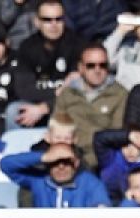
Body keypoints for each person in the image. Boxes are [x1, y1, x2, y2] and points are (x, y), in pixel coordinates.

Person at [53, 42, 128, 169]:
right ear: (81, 68)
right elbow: (57, 126)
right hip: (69, 155)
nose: (97, 70)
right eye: (91, 66)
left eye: (102, 65)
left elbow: (116, 134)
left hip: (101, 158)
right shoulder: (67, 94)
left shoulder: (120, 94)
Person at [13, 0, 86, 128]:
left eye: (58, 19)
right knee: (13, 111)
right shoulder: (27, 47)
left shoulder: (78, 46)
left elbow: (78, 92)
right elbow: (23, 90)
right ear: (37, 22)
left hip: (68, 106)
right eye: (47, 20)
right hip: (35, 103)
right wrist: (57, 92)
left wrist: (44, 107)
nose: (54, 24)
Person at [0, 141, 111, 207]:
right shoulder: (38, 180)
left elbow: (102, 209)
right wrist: (43, 157)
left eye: (66, 162)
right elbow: (5, 164)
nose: (61, 167)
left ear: (76, 163)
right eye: (55, 162)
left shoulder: (89, 182)